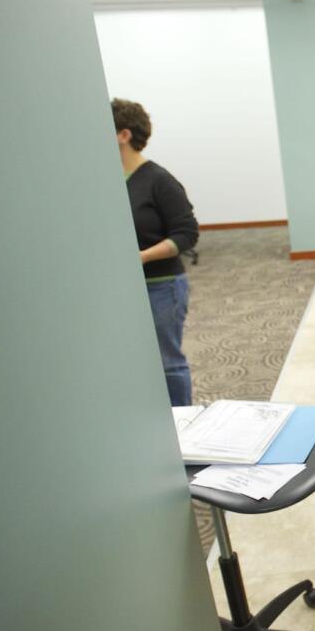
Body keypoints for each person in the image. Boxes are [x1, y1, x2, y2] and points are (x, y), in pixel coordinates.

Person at [113, 98, 199, 407]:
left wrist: (143, 256)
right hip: (123, 289)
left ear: (124, 135)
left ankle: (183, 425)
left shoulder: (158, 180)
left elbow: (187, 233)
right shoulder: (106, 181)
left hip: (162, 286)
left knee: (167, 362)